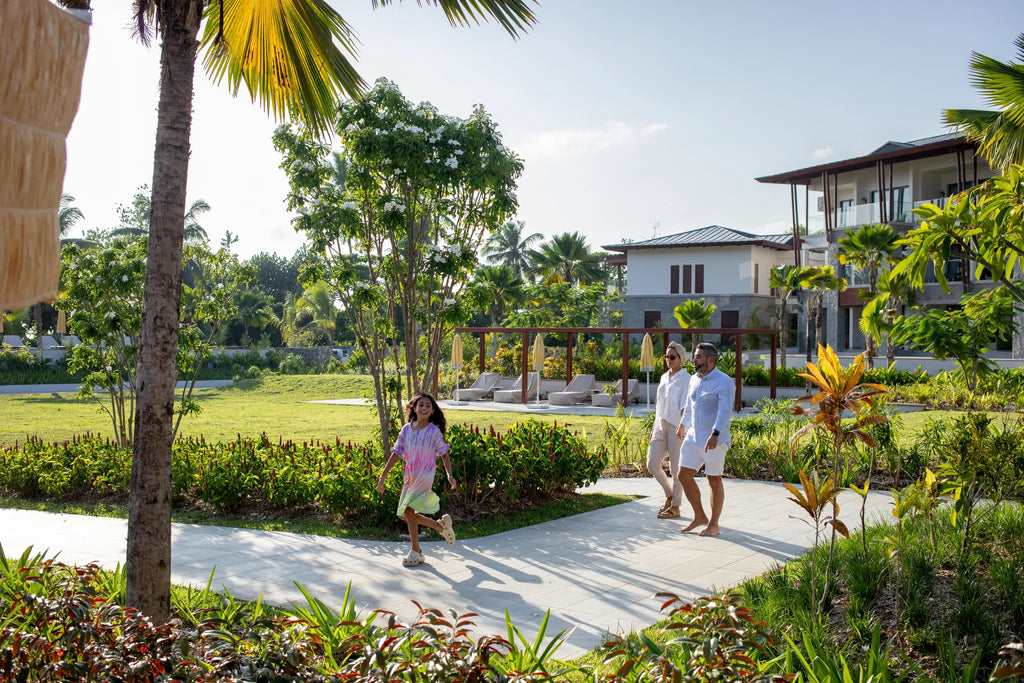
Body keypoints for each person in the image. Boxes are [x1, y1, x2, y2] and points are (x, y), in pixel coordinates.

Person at [377, 391, 458, 566]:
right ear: (414, 407)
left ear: (432, 411)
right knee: (404, 514)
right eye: (421, 404)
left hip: (425, 475)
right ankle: (440, 526)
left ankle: (416, 552)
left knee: (407, 511)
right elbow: (397, 454)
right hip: (411, 475)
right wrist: (383, 476)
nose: (424, 408)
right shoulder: (407, 430)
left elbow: (444, 455)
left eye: (428, 406)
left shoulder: (433, 431)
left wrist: (449, 475)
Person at [675, 342, 733, 536]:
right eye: (694, 357)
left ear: (711, 360)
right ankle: (700, 516)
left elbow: (725, 410)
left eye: (698, 357)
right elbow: (690, 406)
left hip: (714, 438)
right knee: (683, 475)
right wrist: (683, 424)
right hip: (693, 435)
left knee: (713, 479)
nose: (694, 361)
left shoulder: (724, 381)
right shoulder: (694, 379)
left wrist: (715, 433)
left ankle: (714, 525)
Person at [646, 341, 690, 519]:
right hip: (661, 423)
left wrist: (682, 426)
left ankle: (676, 507)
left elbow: (686, 405)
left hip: (677, 425)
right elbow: (659, 405)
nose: (668, 360)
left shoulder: (687, 378)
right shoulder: (664, 377)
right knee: (652, 462)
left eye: (672, 357)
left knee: (676, 467)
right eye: (666, 357)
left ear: (681, 359)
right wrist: (654, 427)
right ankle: (670, 495)